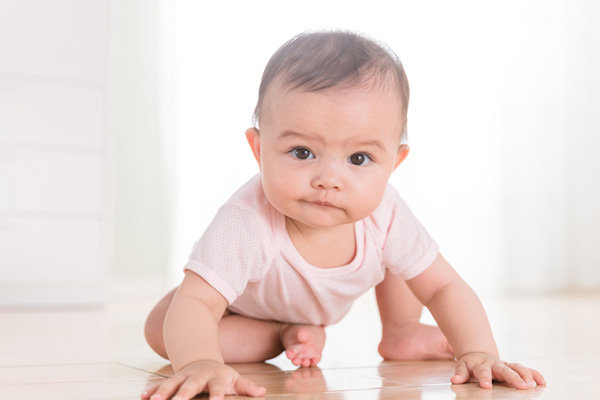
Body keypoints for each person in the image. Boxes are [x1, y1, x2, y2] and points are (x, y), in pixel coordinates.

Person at [141, 30, 546, 400]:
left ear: (394, 162)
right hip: (241, 309)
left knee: (407, 253)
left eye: (359, 158)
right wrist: (200, 361)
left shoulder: (385, 209)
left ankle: (401, 330)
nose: (329, 180)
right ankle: (282, 334)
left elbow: (442, 287)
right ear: (258, 150)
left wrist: (478, 352)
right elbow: (197, 302)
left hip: (316, 295)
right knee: (163, 328)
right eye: (302, 152)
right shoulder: (245, 221)